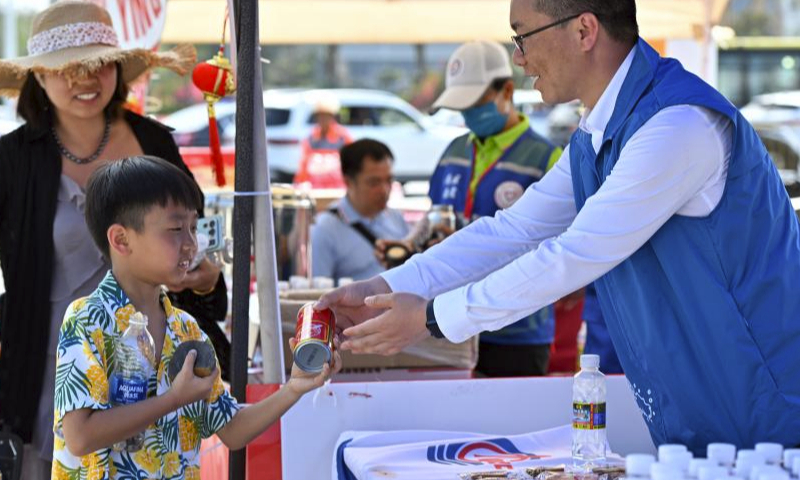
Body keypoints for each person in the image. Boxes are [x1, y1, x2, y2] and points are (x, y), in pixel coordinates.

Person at [318, 0, 800, 453]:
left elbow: (571, 256)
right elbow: (511, 231)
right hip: (707, 405)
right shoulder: (597, 134)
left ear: (584, 30)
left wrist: (431, 318)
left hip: (769, 406)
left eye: (522, 36)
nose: (519, 59)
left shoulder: (679, 126)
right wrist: (384, 287)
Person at [0, 2, 227, 477]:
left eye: (99, 63)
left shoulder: (155, 142)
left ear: (119, 70)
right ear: (39, 78)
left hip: (153, 360)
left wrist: (204, 280)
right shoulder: (13, 159)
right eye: (68, 69)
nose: (86, 79)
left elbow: (197, 237)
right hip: (53, 366)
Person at [51, 155, 340, 479]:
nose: (191, 244)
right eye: (175, 229)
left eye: (193, 227)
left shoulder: (187, 329)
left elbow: (231, 429)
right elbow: (80, 436)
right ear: (121, 239)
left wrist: (295, 387)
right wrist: (174, 399)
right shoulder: (87, 318)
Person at [396, 40, 563, 377]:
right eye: (463, 106)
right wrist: (410, 243)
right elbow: (433, 215)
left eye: (476, 103)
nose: (469, 113)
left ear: (507, 91)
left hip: (517, 330)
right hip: (448, 322)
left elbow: (560, 245)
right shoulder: (454, 150)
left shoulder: (547, 159)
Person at [312, 139, 409, 281]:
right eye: (374, 182)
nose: (384, 190)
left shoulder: (396, 217)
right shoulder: (323, 229)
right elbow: (317, 293)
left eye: (389, 180)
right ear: (348, 182)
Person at [293, 93, 353, 188]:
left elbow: (351, 161)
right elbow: (304, 164)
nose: (323, 119)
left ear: (332, 116)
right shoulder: (311, 138)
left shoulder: (343, 136)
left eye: (326, 116)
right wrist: (299, 182)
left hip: (337, 187)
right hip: (316, 187)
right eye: (320, 116)